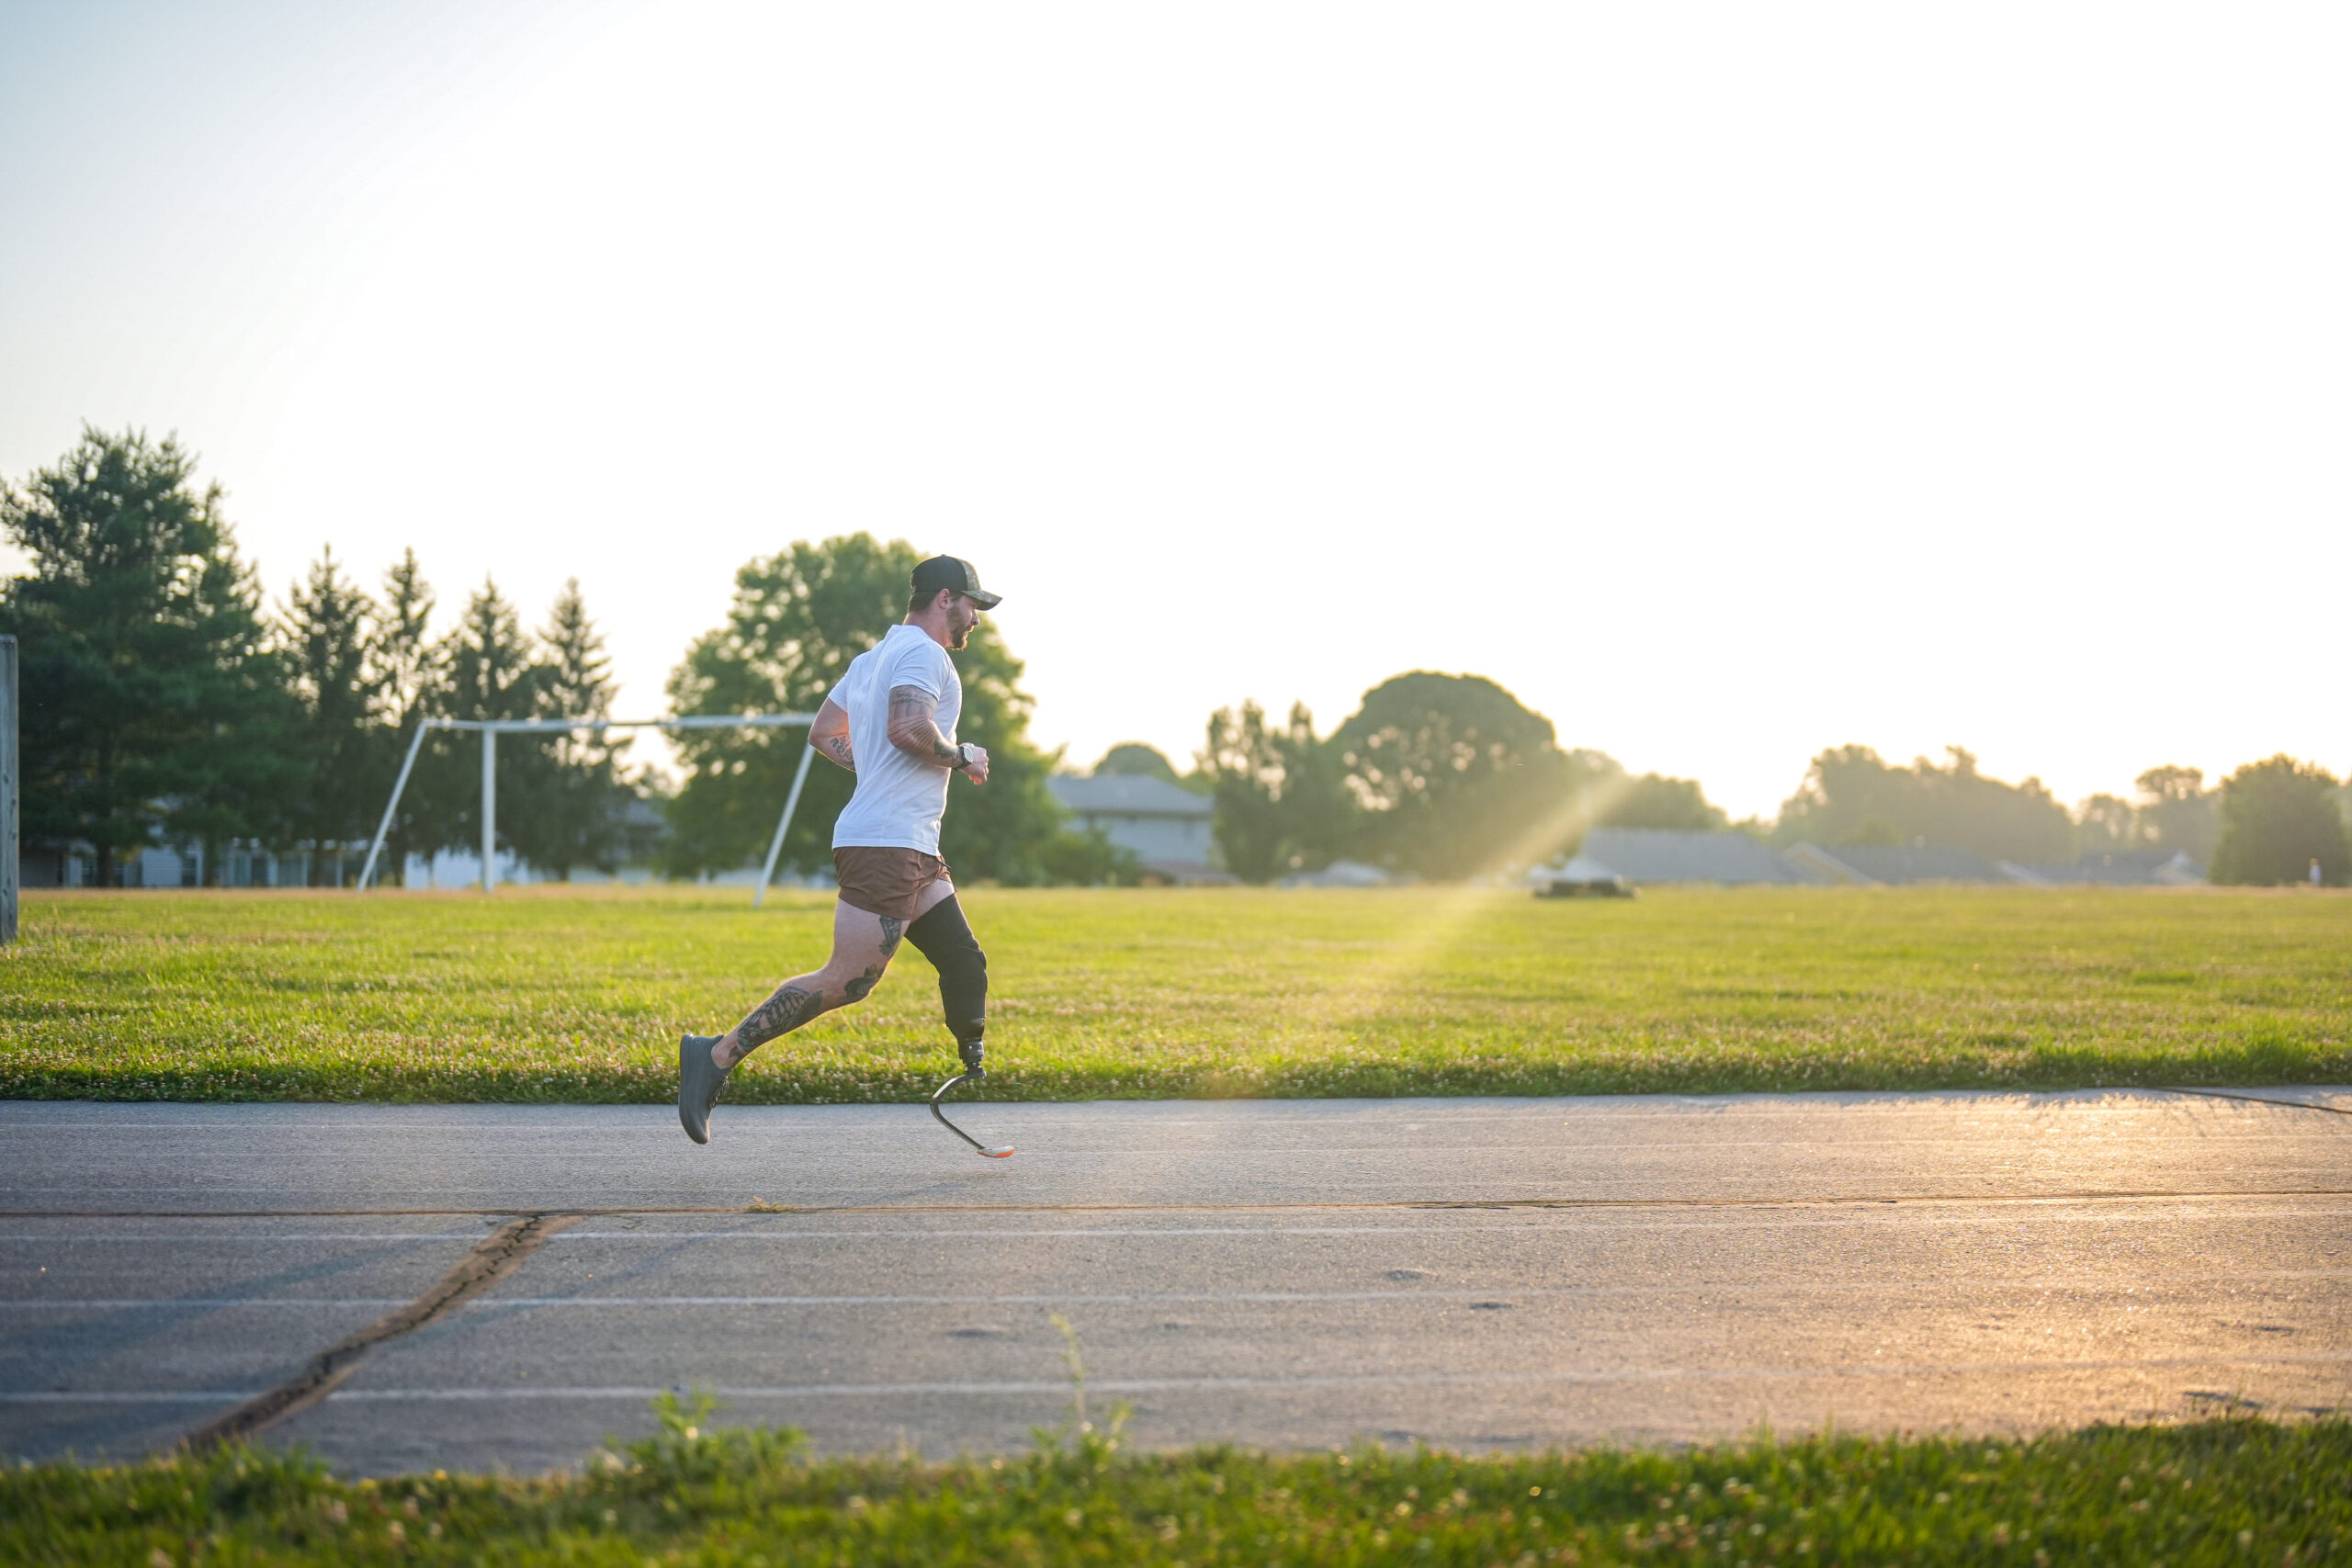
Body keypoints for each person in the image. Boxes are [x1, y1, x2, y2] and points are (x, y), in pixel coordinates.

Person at [677, 555, 1001, 1144]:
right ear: (945, 598)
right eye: (972, 605)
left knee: (962, 958)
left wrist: (873, 766)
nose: (975, 619)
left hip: (911, 842)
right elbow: (909, 730)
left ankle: (973, 1057)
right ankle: (715, 1057)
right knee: (848, 979)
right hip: (885, 843)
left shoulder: (872, 658)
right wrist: (963, 755)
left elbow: (825, 732)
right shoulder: (925, 655)